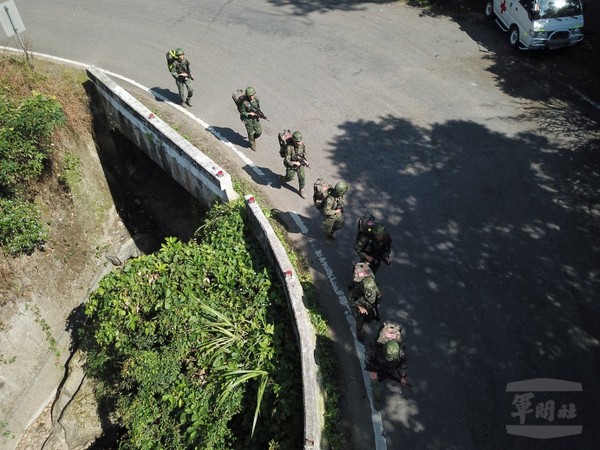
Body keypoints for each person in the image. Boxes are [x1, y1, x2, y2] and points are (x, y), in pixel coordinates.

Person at [349, 269, 381, 340]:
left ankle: (370, 317)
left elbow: (378, 294)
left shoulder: (372, 284)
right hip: (362, 306)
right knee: (360, 320)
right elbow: (351, 300)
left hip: (371, 305)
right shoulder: (358, 290)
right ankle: (359, 333)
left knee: (371, 315)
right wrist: (360, 307)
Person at [280, 131, 308, 198]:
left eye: (300, 140)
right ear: (294, 141)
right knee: (289, 177)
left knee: (302, 176)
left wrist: (305, 161)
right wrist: (295, 163)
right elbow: (287, 160)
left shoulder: (302, 145)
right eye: (298, 141)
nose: (300, 142)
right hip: (291, 163)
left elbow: (303, 154)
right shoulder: (289, 148)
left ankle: (301, 189)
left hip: (299, 162)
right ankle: (282, 179)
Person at [239, 86, 262, 151]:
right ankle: (252, 143)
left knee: (259, 132)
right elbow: (242, 112)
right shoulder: (244, 103)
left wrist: (259, 115)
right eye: (250, 96)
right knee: (250, 132)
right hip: (248, 119)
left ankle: (251, 138)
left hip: (255, 118)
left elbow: (258, 108)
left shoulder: (256, 99)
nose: (252, 97)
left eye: (252, 95)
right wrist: (249, 113)